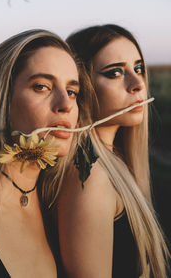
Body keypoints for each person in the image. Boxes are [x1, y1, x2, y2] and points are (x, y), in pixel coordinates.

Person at [0, 29, 94, 277]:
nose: (66, 104)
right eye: (42, 86)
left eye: (72, 91)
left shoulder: (63, 203)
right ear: (1, 98)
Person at [57, 24, 170, 278]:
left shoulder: (112, 158)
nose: (137, 83)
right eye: (115, 72)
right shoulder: (89, 179)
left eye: (138, 68)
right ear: (81, 86)